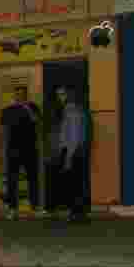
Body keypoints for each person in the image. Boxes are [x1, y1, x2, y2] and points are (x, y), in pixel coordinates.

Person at [1, 85, 41, 220]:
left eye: (22, 94)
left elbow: (37, 121)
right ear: (14, 95)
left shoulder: (33, 107)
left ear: (26, 95)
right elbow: (4, 127)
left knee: (33, 179)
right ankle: (12, 209)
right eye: (17, 94)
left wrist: (26, 107)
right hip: (13, 150)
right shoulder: (7, 110)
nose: (20, 97)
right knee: (12, 180)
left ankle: (34, 207)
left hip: (30, 149)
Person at [56, 87, 89, 224]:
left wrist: (68, 157)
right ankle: (77, 212)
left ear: (69, 95)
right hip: (76, 151)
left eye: (62, 94)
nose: (60, 97)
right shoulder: (76, 110)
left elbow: (74, 137)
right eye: (58, 95)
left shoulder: (72, 111)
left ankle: (75, 213)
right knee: (76, 183)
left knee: (72, 184)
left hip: (73, 151)